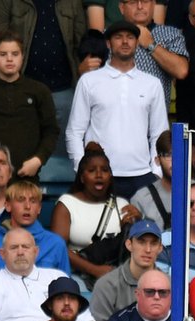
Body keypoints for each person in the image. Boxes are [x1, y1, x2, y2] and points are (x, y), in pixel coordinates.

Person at [67, 21, 169, 199]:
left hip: (143, 175)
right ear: (108, 43)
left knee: (143, 228)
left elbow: (159, 133)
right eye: (118, 37)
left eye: (130, 37)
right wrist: (82, 168)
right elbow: (74, 131)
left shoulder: (152, 84)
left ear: (137, 43)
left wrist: (156, 172)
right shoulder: (89, 81)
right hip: (100, 176)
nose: (125, 42)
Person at [0, 33, 60, 187]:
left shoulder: (39, 91)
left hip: (27, 177)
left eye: (15, 54)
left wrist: (38, 160)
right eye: (3, 54)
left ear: (22, 57)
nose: (9, 59)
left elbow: (51, 131)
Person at [51, 143, 141, 286]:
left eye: (104, 170)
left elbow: (136, 247)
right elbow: (57, 249)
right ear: (82, 177)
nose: (99, 175)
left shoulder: (122, 204)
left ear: (110, 176)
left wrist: (138, 223)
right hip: (77, 277)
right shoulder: (66, 204)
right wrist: (95, 270)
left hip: (117, 277)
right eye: (92, 170)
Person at [0, 177, 71, 284]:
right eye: (21, 200)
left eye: (33, 201)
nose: (27, 206)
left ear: (39, 208)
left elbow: (66, 288)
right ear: (7, 205)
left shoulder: (56, 243)